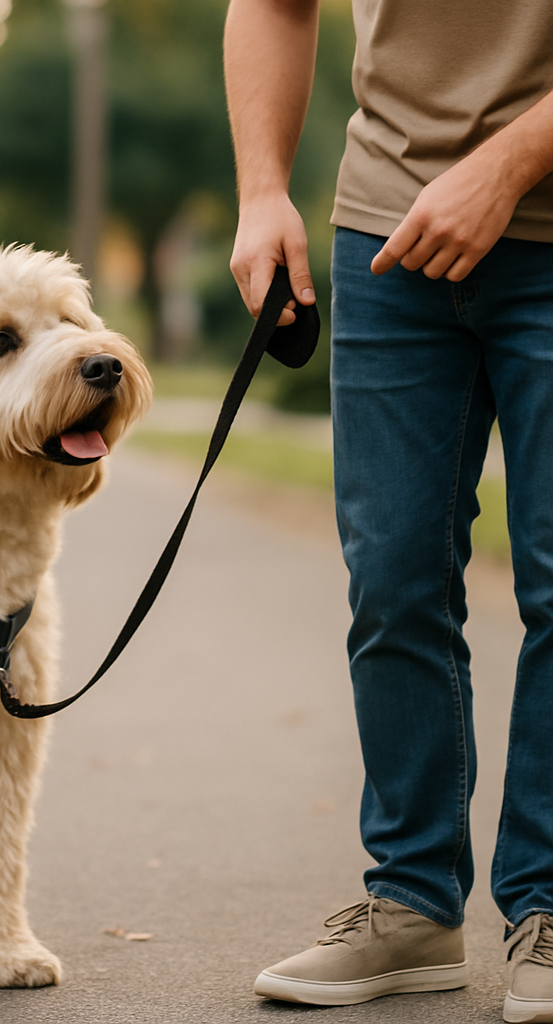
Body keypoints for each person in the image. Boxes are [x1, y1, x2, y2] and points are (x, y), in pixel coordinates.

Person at [223, 0, 553, 1019]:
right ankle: (411, 901)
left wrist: (506, 162)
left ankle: (547, 906)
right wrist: (262, 192)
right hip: (387, 239)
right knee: (393, 578)